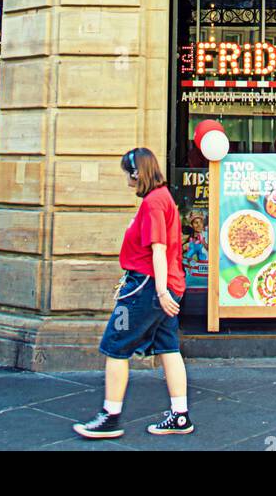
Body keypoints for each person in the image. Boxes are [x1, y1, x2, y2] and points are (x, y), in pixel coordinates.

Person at [74, 147, 193, 438]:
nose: (125, 178)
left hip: (145, 287)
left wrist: (162, 292)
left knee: (116, 344)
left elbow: (159, 250)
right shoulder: (164, 197)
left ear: (137, 172)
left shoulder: (153, 203)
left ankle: (110, 417)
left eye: (127, 172)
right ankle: (180, 415)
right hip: (164, 285)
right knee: (168, 346)